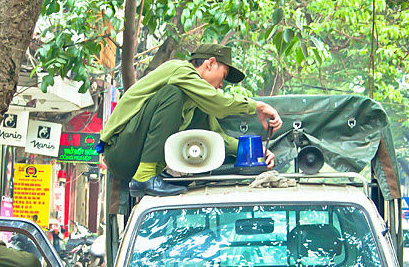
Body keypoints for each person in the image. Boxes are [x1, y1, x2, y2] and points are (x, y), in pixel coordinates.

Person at [99, 43, 283, 197]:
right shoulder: (179, 69)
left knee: (183, 98)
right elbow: (220, 104)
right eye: (224, 77)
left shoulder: (198, 99)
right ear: (210, 63)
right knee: (173, 93)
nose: (221, 85)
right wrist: (257, 106)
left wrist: (258, 153)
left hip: (135, 160)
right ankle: (144, 177)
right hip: (120, 150)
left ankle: (146, 175)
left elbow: (218, 138)